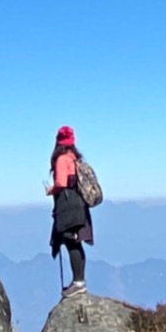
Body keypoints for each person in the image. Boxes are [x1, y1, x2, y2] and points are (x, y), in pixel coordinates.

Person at [47, 125, 95, 293]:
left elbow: (61, 182)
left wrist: (51, 190)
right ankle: (80, 281)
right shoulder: (74, 158)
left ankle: (78, 283)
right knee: (77, 242)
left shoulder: (61, 159)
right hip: (79, 205)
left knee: (71, 243)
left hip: (68, 208)